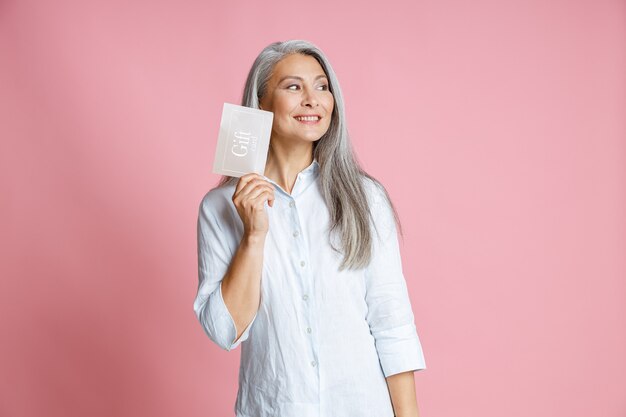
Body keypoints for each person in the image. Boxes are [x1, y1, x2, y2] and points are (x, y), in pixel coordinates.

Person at [194, 39, 427, 417]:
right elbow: (225, 331)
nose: (313, 99)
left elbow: (391, 321)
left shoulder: (365, 198)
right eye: (293, 86)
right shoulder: (219, 208)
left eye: (322, 86)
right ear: (261, 103)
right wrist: (253, 237)